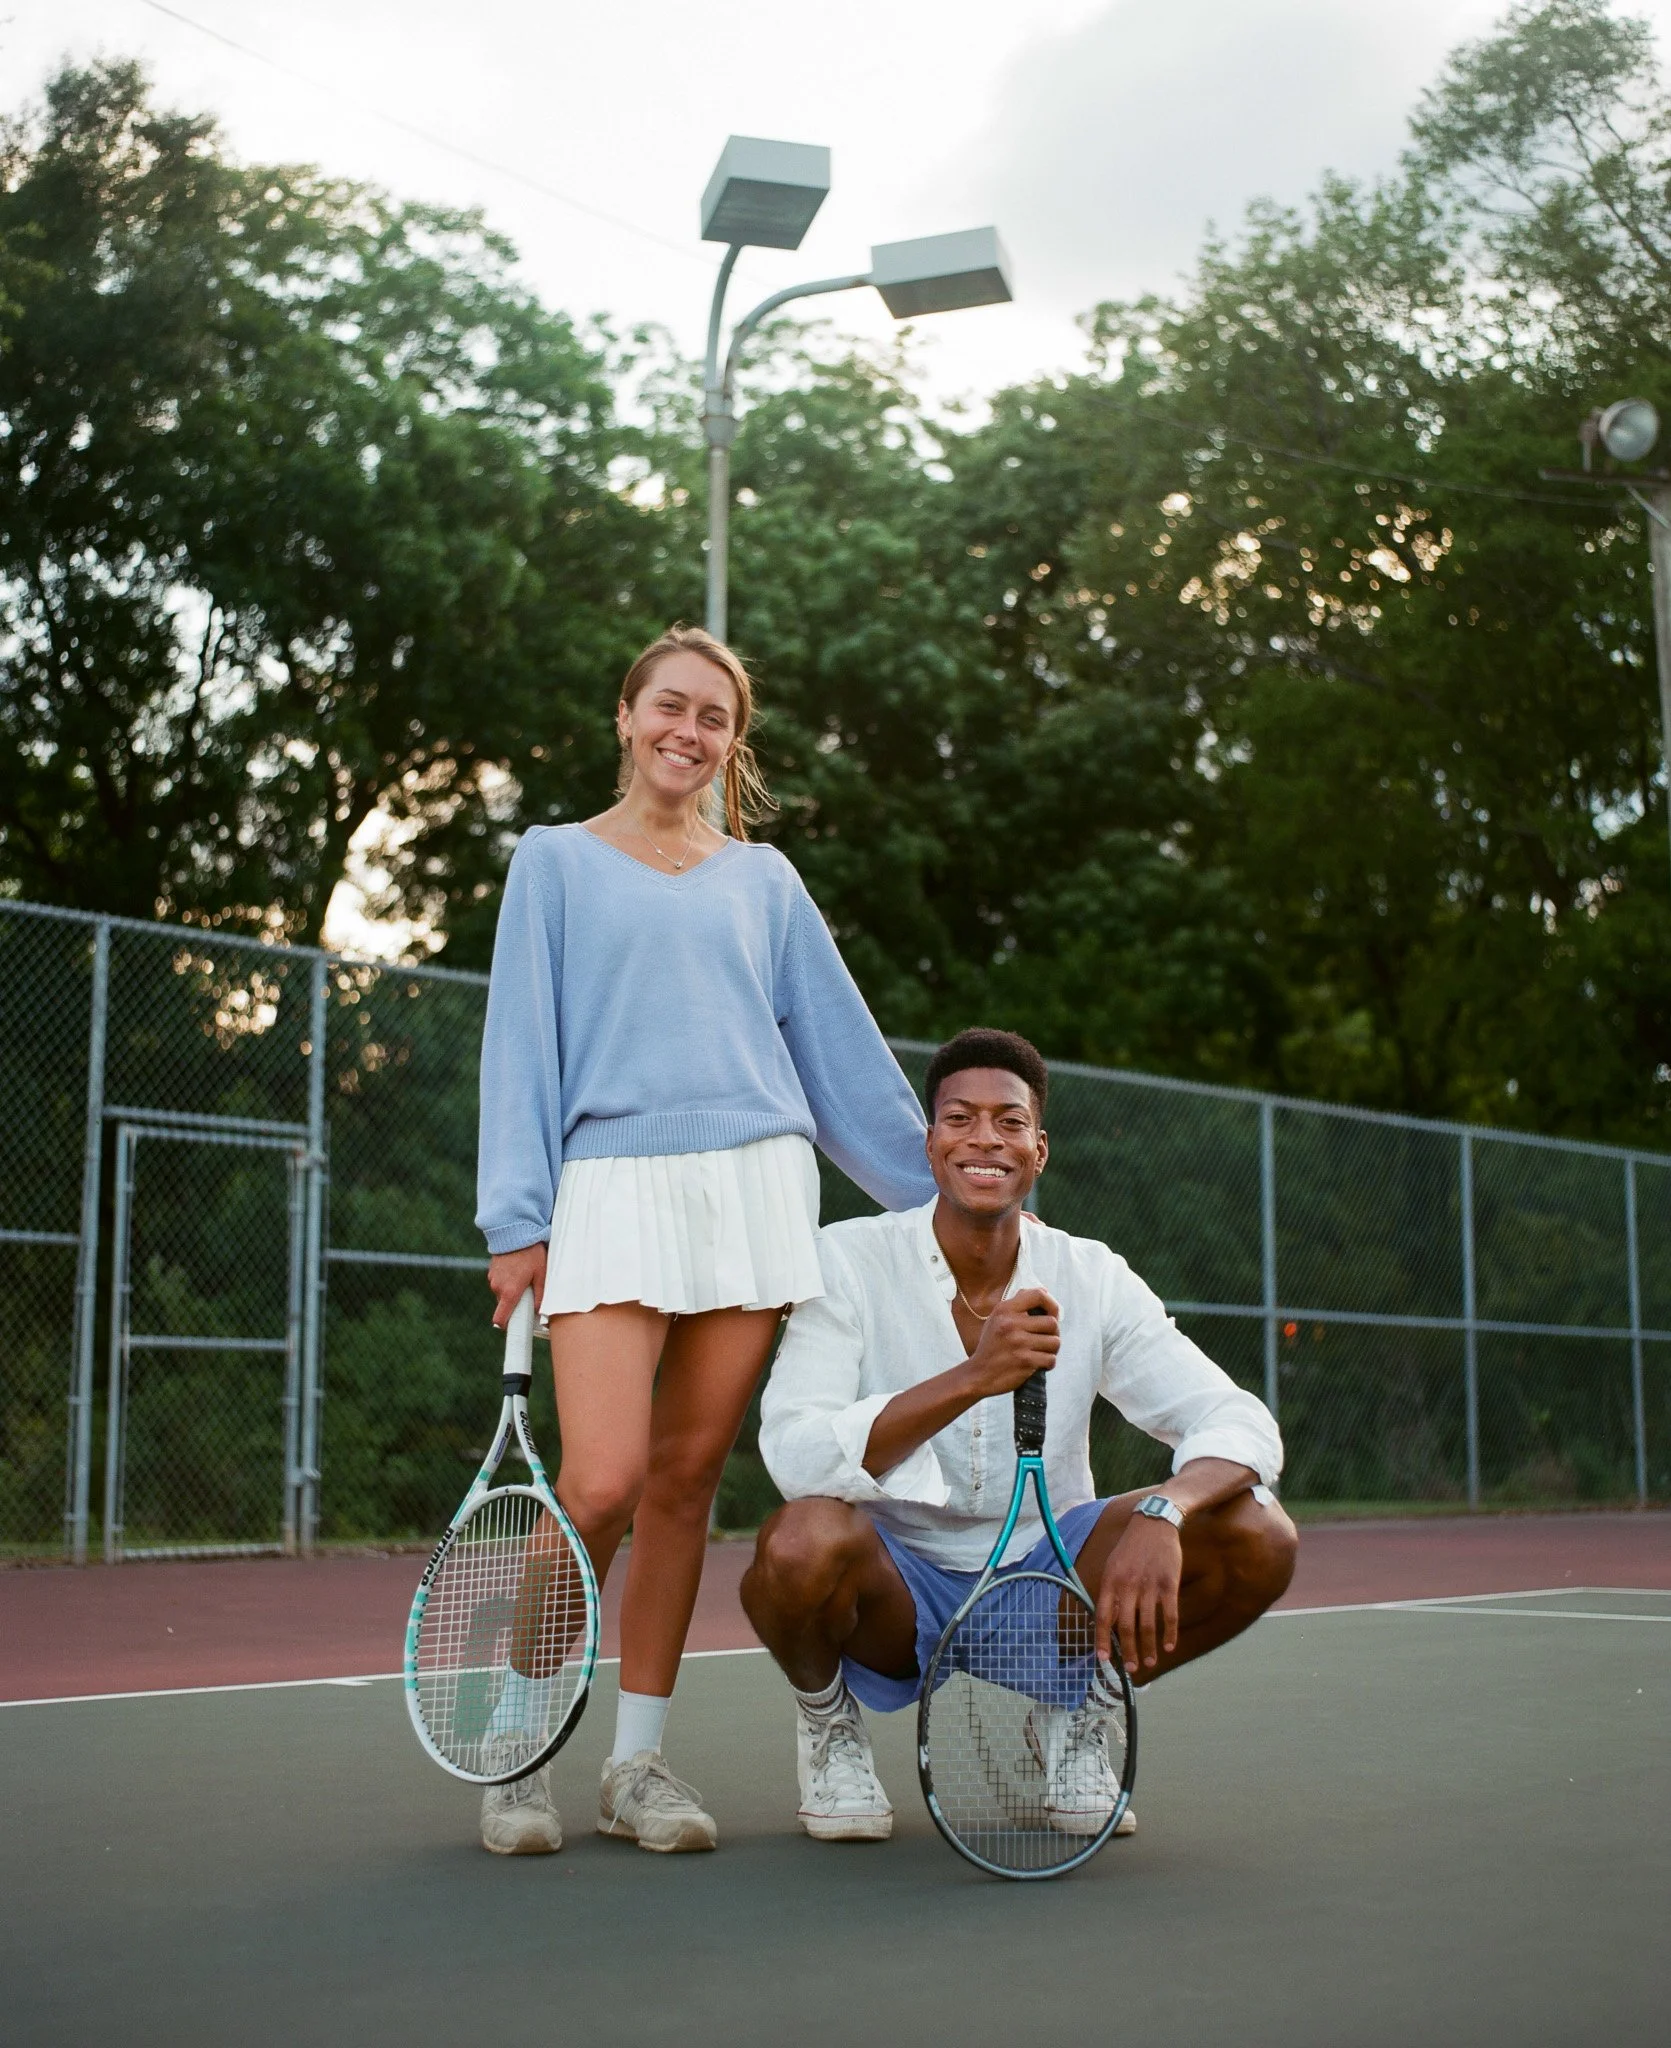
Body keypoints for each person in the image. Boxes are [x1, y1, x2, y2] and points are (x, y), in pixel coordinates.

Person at [473, 624, 935, 1855]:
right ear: (626, 717)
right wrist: (517, 1218)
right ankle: (516, 1749)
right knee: (600, 1482)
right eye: (669, 706)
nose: (689, 730)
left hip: (756, 1189)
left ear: (733, 742)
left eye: (713, 717)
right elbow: (520, 1041)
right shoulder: (553, 862)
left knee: (684, 1484)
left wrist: (949, 1196)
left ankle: (635, 1764)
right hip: (608, 1190)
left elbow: (842, 1057)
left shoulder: (766, 881)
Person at [743, 1026, 1297, 1843]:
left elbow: (1238, 1420)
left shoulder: (1090, 1274)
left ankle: (1082, 1712)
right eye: (959, 1119)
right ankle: (830, 1727)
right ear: (930, 1144)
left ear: (1038, 1150)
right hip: (897, 1589)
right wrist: (972, 1377)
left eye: (1009, 1122)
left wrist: (1165, 1510)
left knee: (1259, 1535)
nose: (984, 1139)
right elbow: (794, 1452)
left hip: (1049, 1577)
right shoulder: (847, 1259)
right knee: (798, 1543)